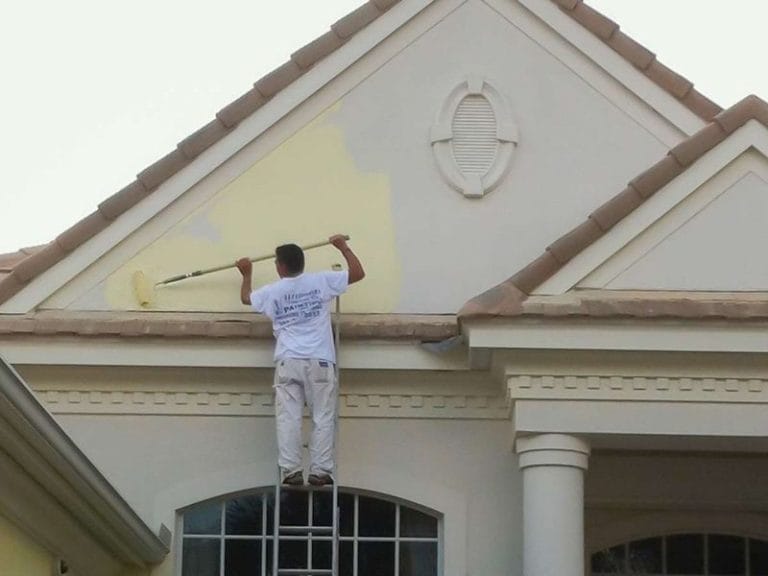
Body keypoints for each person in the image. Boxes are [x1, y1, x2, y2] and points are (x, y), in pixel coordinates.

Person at [236, 235, 365, 486]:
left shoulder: (274, 291)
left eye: (276, 262)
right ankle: (320, 470)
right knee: (323, 416)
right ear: (301, 263)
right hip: (320, 360)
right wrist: (342, 247)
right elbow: (358, 273)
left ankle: (291, 470)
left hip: (289, 361)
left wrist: (246, 273)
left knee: (289, 418)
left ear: (281, 266)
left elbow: (245, 298)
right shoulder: (321, 281)